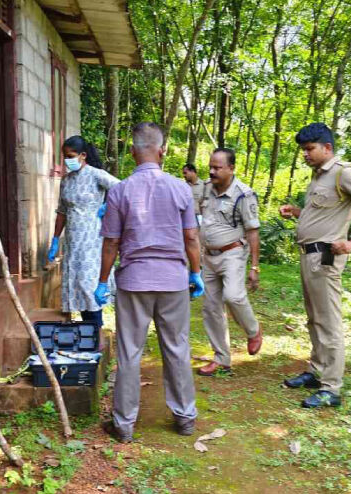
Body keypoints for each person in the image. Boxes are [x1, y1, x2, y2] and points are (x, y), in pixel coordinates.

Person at [95, 122, 204, 442]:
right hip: (173, 280)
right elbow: (192, 237)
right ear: (163, 150)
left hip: (133, 281)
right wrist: (195, 273)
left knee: (129, 351)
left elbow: (110, 243)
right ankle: (185, 417)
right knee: (177, 347)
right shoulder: (181, 188)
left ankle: (124, 425)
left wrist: (102, 281)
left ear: (132, 153)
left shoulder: (119, 191)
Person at [279, 123, 351, 408]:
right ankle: (317, 372)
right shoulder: (318, 177)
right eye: (303, 150)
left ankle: (331, 387)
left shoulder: (344, 172)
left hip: (326, 258)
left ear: (327, 148)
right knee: (314, 318)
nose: (304, 155)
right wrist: (297, 213)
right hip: (309, 256)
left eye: (309, 149)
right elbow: (323, 215)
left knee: (329, 322)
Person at [196, 148, 263, 376]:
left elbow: (253, 231)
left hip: (233, 253)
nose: (212, 172)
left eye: (217, 167)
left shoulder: (244, 194)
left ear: (231, 168)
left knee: (233, 295)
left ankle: (253, 331)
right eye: (210, 167)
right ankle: (221, 359)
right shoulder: (206, 188)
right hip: (208, 256)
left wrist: (254, 266)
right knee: (211, 308)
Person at [47, 136, 120, 329]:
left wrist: (107, 205)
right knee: (77, 284)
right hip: (72, 241)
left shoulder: (96, 175)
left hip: (92, 239)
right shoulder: (66, 181)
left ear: (83, 155)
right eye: (64, 156)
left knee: (90, 285)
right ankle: (86, 333)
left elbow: (123, 189)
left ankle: (96, 331)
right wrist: (55, 238)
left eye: (70, 156)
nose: (67, 160)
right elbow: (62, 212)